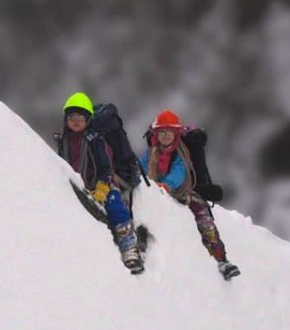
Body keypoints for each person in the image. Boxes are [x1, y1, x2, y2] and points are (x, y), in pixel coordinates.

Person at [140, 110, 240, 280]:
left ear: (176, 134)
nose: (165, 136)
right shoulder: (152, 152)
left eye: (169, 132)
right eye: (161, 132)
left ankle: (221, 259)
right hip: (155, 189)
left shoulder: (180, 152)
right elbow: (141, 167)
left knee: (203, 218)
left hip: (182, 191)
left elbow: (179, 172)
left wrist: (166, 185)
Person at [57, 92, 143, 272]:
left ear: (88, 119)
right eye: (71, 117)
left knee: (115, 206)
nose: (75, 121)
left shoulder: (95, 140)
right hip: (74, 183)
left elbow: (106, 166)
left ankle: (129, 246)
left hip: (100, 183)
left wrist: (103, 186)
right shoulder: (63, 139)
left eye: (80, 117)